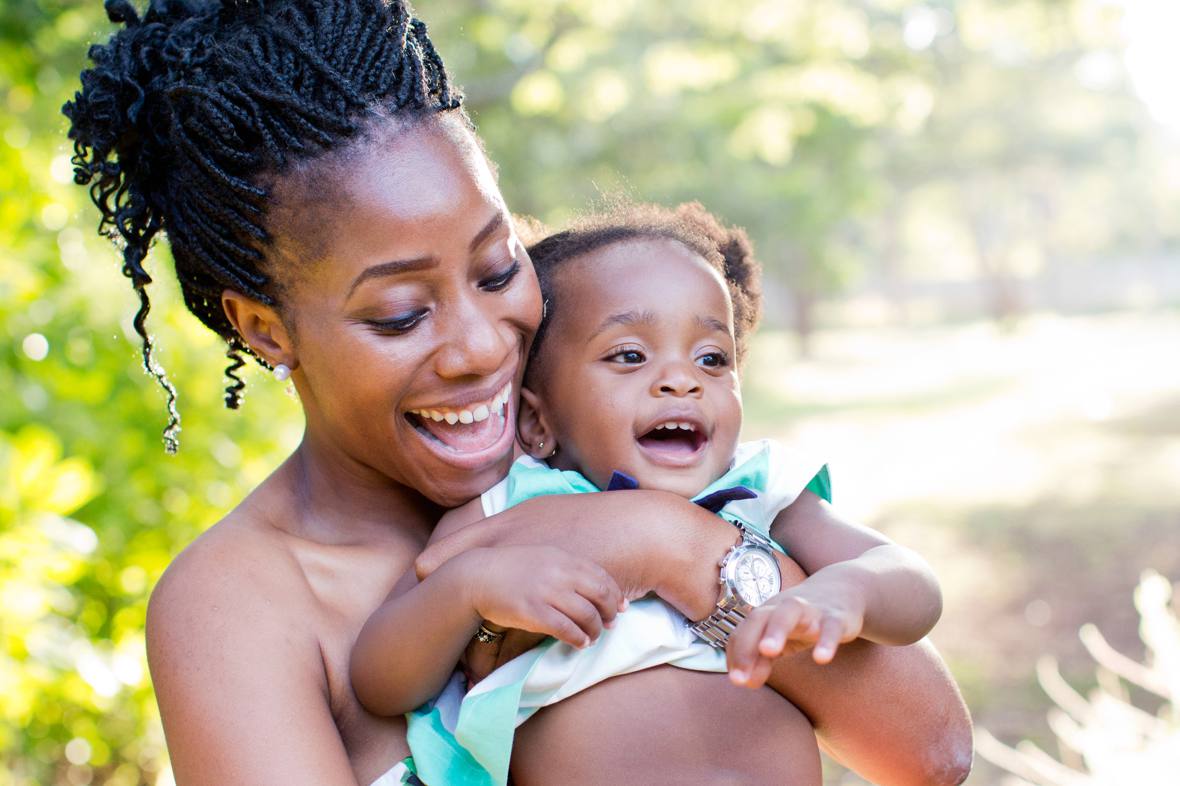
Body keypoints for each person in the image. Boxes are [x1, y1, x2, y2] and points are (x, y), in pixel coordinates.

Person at [64, 1, 973, 784]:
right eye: (399, 315)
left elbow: (931, 752)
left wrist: (658, 542)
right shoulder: (238, 604)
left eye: (498, 270)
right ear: (264, 328)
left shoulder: (633, 462)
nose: (478, 347)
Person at [351, 203, 953, 786]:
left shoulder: (762, 491)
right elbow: (382, 679)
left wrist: (852, 591)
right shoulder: (511, 510)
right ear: (537, 422)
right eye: (630, 355)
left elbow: (913, 585)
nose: (681, 379)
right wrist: (470, 589)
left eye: (713, 358)